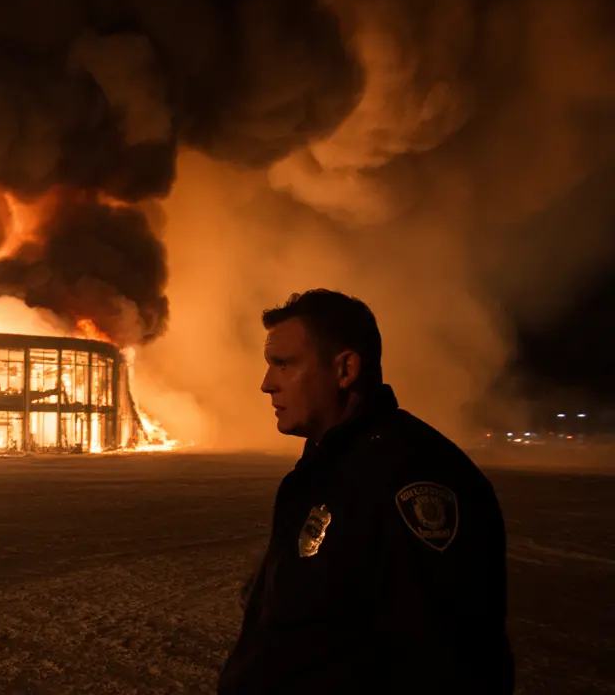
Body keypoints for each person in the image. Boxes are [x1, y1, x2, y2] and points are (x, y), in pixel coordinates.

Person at [219, 289, 514, 693]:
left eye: (284, 364)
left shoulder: (411, 475)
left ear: (345, 370)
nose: (266, 384)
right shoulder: (323, 468)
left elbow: (443, 661)